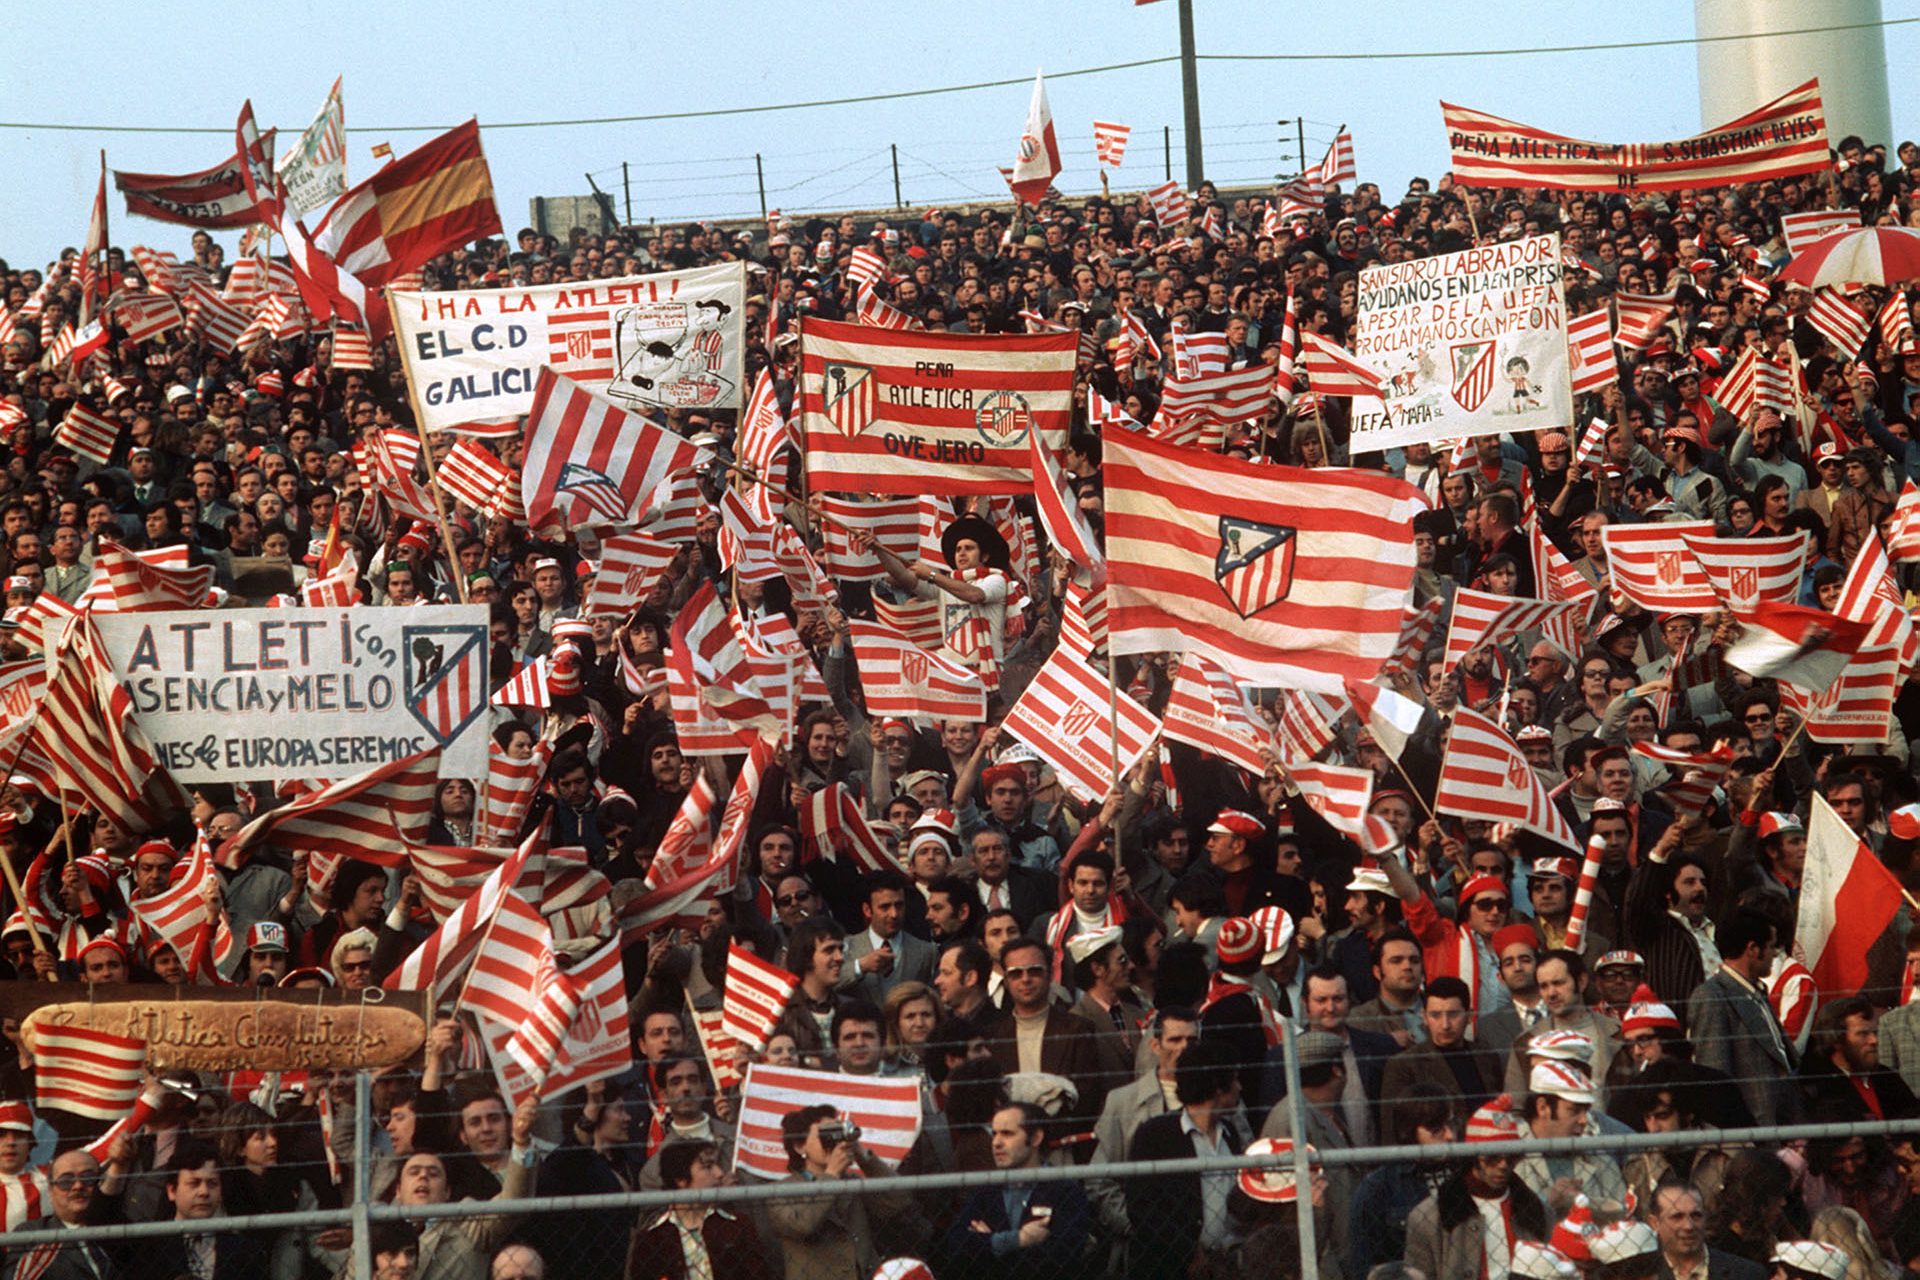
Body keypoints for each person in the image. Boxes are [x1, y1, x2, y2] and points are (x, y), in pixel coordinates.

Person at [1125, 1038, 1248, 1280]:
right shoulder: (1156, 1136)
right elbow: (1142, 1206)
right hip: (1172, 1269)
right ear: (1217, 1086)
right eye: (1234, 1079)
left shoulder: (1230, 1135)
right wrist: (1189, 1251)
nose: (1240, 1087)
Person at [1405, 1095, 1551, 1280]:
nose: (1503, 1165)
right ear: (1474, 1157)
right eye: (1493, 1157)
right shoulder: (1430, 1217)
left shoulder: (1535, 1212)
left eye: (1512, 1158)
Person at [768, 1105, 919, 1280]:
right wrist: (831, 1176)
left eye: (837, 1132)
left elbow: (899, 1201)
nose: (833, 1141)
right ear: (800, 1147)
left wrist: (863, 1156)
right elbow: (802, 1225)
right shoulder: (780, 1192)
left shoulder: (851, 1183)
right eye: (825, 1135)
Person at [942, 1103, 1090, 1280]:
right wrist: (1018, 1239)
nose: (996, 1142)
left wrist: (990, 1245)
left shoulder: (1064, 1190)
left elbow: (1061, 1259)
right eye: (994, 1133)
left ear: (1035, 1138)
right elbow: (955, 1247)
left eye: (1007, 1133)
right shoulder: (986, 1190)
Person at [1689, 909, 1799, 1127]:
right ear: (1752, 949)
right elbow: (1716, 1081)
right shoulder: (1713, 996)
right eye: (1771, 946)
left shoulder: (1757, 993)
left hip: (1784, 1131)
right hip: (1753, 1139)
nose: (1774, 955)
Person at [624, 1140, 773, 1280]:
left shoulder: (738, 1225)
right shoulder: (654, 1239)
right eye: (707, 1167)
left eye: (716, 1165)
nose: (719, 1173)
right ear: (681, 1179)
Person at [1652, 1179, 1768, 1280]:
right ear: (1655, 1223)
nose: (1689, 1226)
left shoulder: (1747, 1274)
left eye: (1696, 1215)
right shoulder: (1642, 1276)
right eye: (1677, 1217)